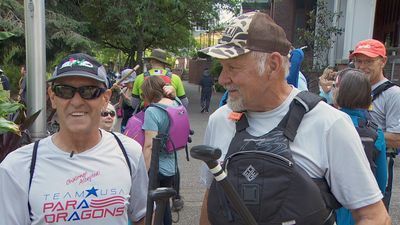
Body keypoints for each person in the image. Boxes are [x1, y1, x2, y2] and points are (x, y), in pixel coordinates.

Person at [199, 11, 390, 225]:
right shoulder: (220, 120)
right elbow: (212, 197)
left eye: (232, 67)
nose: (223, 79)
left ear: (273, 64)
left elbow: (374, 216)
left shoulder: (328, 123)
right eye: (223, 67)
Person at [0, 53, 148, 225]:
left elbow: (142, 216)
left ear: (105, 98)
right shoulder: (18, 166)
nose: (76, 101)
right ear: (53, 97)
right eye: (65, 91)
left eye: (89, 91)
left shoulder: (129, 151)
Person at [333, 68, 387, 225]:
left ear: (339, 94)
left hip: (329, 207)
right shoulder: (376, 134)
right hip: (362, 209)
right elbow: (381, 182)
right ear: (368, 98)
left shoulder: (326, 124)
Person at [351, 39, 400, 207]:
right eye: (358, 61)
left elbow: (397, 138)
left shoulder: (394, 94)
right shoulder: (350, 87)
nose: (362, 66)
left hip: (377, 164)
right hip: (350, 161)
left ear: (383, 62)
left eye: (369, 61)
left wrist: (360, 134)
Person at [141, 75, 181, 225]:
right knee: (164, 206)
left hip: (157, 167)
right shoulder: (176, 103)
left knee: (155, 207)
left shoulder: (152, 111)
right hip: (172, 165)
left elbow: (149, 145)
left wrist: (143, 173)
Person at [119, 68, 137, 133]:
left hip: (134, 123)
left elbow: (131, 104)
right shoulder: (125, 90)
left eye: (127, 82)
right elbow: (119, 105)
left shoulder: (136, 91)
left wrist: (122, 94)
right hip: (124, 122)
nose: (125, 84)